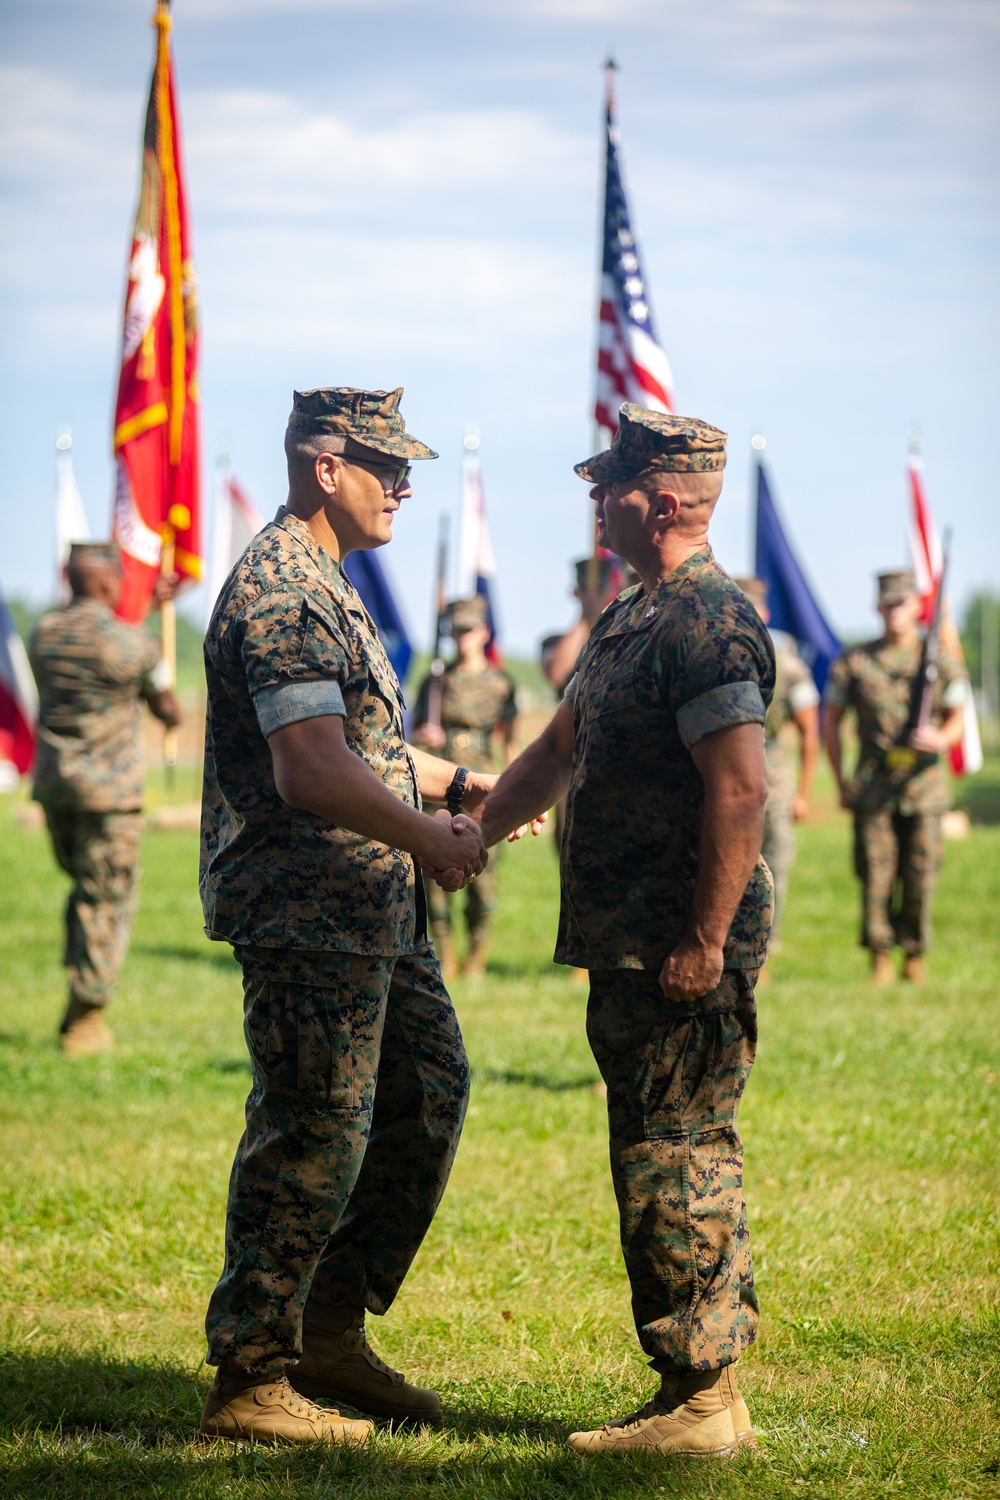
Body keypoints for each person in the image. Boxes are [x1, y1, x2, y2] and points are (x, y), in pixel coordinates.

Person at [198, 386, 500, 1447]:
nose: (405, 485)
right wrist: (427, 838)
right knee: (313, 1132)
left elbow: (360, 747)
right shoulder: (284, 587)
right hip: (306, 909)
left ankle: (324, 1331)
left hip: (370, 909)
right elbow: (310, 767)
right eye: (386, 466)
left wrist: (457, 781)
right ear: (326, 467)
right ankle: (251, 1375)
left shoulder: (327, 581)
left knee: (425, 1095)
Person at [471, 405, 775, 1458]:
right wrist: (465, 838)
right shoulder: (633, 616)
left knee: (677, 1155)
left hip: (676, 946)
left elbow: (738, 792)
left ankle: (700, 1401)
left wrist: (703, 936)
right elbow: (555, 751)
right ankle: (700, 1389)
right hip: (629, 942)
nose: (595, 500)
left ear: (667, 499)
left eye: (610, 485)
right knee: (655, 1148)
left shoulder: (707, 620)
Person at [28, 541, 181, 1057]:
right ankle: (86, 1019)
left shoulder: (43, 634)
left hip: (55, 790)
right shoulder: (132, 643)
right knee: (105, 901)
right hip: (110, 797)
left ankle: (78, 997)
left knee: (85, 893)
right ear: (108, 583)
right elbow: (167, 708)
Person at [823, 569, 967, 983]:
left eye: (902, 603)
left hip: (924, 786)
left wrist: (939, 738)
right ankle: (880, 955)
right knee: (875, 873)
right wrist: (839, 780)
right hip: (874, 784)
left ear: (918, 607)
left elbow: (959, 717)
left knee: (921, 873)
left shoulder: (939, 659)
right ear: (877, 607)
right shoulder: (855, 661)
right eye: (887, 604)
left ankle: (915, 954)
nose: (894, 612)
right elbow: (831, 721)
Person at [411, 594, 518, 978]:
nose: (461, 638)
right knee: (434, 865)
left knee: (482, 873)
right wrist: (426, 732)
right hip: (441, 777)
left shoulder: (501, 683)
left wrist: (514, 793)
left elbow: (509, 744)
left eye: (468, 630)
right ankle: (445, 952)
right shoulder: (436, 681)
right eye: (455, 631)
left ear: (484, 632)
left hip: (483, 775)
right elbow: (412, 733)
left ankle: (477, 954)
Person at [734, 577, 820, 941]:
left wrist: (802, 793)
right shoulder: (712, 658)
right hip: (724, 772)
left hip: (774, 774)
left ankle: (766, 940)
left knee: (775, 860)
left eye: (755, 607)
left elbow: (809, 731)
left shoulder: (788, 665)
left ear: (765, 612)